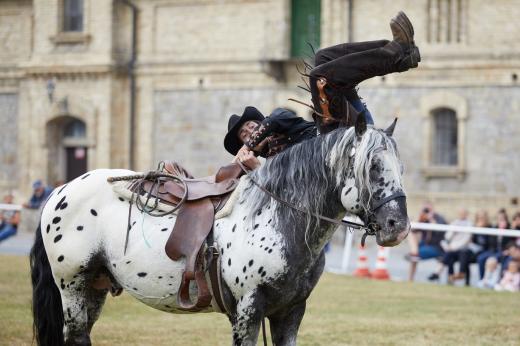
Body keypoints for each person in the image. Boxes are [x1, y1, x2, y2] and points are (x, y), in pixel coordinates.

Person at [224, 11, 420, 164]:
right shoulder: (272, 163)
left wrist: (249, 144)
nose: (250, 131)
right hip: (335, 143)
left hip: (347, 122)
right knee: (319, 77)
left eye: (251, 126)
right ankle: (397, 55)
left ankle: (401, 52)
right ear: (245, 149)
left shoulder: (279, 124)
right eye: (244, 134)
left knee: (322, 58)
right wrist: (251, 161)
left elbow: (277, 117)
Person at [427, 209, 472, 283]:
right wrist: (447, 246)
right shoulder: (455, 223)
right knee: (449, 255)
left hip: (462, 249)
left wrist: (452, 247)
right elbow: (447, 237)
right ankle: (442, 275)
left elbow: (465, 241)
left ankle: (438, 272)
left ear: (466, 214)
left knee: (453, 254)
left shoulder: (469, 224)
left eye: (463, 213)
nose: (461, 215)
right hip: (452, 249)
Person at [406, 201, 447, 281]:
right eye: (425, 209)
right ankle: (410, 279)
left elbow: (440, 231)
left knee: (414, 256)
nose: (426, 211)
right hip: (424, 244)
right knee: (414, 254)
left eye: (428, 209)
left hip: (436, 246)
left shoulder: (439, 218)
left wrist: (431, 218)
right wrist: (420, 217)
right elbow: (413, 229)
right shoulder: (423, 218)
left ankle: (415, 253)